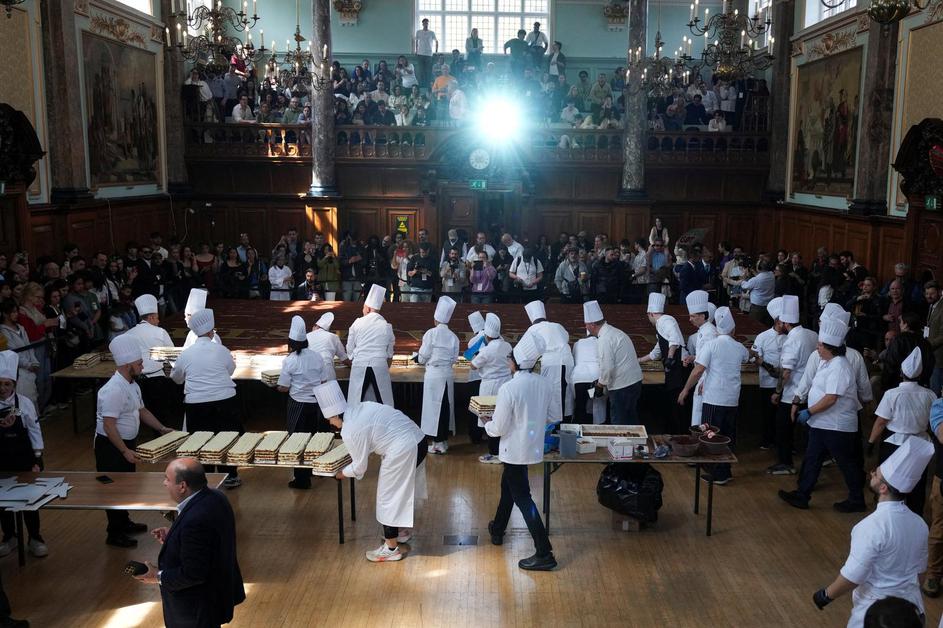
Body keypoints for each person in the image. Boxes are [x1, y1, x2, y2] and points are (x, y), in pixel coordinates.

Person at [811, 438, 932, 627]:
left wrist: (826, 595)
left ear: (883, 488)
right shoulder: (920, 524)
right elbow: (920, 573)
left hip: (877, 614)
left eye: (876, 474)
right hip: (911, 612)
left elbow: (854, 575)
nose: (872, 473)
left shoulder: (870, 526)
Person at [314, 380, 427, 563]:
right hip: (418, 439)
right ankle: (399, 533)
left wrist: (340, 474)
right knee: (397, 492)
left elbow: (360, 467)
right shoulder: (359, 408)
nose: (330, 423)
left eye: (330, 419)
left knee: (387, 496)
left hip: (403, 449)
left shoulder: (350, 430)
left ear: (335, 415)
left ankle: (391, 549)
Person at [134, 458, 246, 627]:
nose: (164, 483)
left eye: (167, 479)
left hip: (195, 611)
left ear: (182, 486)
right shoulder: (217, 497)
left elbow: (193, 573)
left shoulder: (194, 521)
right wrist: (174, 537)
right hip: (215, 597)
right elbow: (210, 542)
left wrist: (156, 576)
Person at [484, 332, 559, 571]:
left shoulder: (509, 388)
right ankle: (498, 529)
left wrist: (487, 422)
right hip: (532, 447)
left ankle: (544, 551)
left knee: (523, 498)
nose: (508, 363)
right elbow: (554, 416)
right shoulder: (544, 384)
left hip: (513, 450)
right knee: (509, 488)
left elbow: (498, 428)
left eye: (509, 359)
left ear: (515, 362)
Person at [95, 334, 174, 547]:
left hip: (126, 443)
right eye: (139, 363)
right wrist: (124, 451)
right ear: (127, 365)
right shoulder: (113, 390)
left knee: (126, 485)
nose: (142, 366)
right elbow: (108, 426)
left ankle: (124, 522)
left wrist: (161, 428)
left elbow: (142, 410)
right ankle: (114, 532)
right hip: (111, 447)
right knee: (113, 488)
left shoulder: (133, 385)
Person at [779, 319, 866, 512]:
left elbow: (831, 398)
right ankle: (802, 494)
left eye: (820, 345)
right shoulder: (827, 363)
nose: (817, 348)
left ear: (830, 348)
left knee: (846, 463)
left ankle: (857, 499)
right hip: (822, 423)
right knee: (812, 459)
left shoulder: (839, 366)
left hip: (836, 425)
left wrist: (809, 411)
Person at [169, 309, 241, 489]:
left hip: (197, 403)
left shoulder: (186, 354)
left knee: (201, 441)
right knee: (226, 438)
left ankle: (205, 478)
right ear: (211, 332)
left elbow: (177, 378)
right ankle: (230, 475)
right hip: (224, 399)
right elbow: (230, 370)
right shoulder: (221, 350)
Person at [679, 307, 748, 484]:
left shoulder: (712, 345)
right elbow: (748, 357)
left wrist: (686, 389)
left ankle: (716, 473)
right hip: (732, 398)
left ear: (717, 329)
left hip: (714, 398)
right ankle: (725, 470)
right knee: (727, 435)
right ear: (733, 329)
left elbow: (698, 370)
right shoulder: (739, 347)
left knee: (710, 435)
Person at [867, 347, 934, 515]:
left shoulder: (892, 394)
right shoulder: (930, 395)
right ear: (920, 375)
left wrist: (870, 442)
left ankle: (888, 514)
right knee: (917, 483)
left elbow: (881, 422)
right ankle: (915, 516)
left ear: (901, 373)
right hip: (920, 444)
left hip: (894, 444)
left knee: (890, 483)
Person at [0, 351, 47, 559]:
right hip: (1, 461)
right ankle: (9, 537)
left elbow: (35, 432)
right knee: (3, 503)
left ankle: (35, 538)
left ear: (14, 384)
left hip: (24, 459)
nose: (2, 389)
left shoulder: (25, 403)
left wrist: (37, 459)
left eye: (7, 384)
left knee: (30, 501)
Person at [273, 317, 327, 490]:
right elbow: (323, 380)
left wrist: (275, 386)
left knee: (297, 441)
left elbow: (283, 387)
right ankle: (313, 469)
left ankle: (302, 479)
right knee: (313, 438)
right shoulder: (317, 357)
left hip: (298, 404)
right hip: (315, 403)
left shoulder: (290, 360)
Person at [768, 295, 818, 475]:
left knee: (783, 428)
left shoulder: (792, 340)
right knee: (809, 430)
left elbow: (786, 372)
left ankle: (785, 462)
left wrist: (777, 392)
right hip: (812, 392)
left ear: (785, 322)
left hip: (792, 393)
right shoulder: (812, 334)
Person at [583, 300, 643, 426]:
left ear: (592, 325)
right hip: (634, 382)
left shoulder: (604, 339)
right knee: (631, 419)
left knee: (619, 423)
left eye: (586, 324)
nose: (586, 327)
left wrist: (600, 385)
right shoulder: (614, 332)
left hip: (622, 386)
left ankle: (622, 440)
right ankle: (635, 439)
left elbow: (608, 367)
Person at [122, 294, 177, 428]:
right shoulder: (160, 332)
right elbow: (173, 356)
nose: (158, 321)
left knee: (141, 411)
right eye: (157, 318)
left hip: (135, 381)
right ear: (151, 317)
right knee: (161, 414)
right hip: (156, 380)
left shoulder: (128, 334)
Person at [638, 293, 686, 434]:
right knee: (672, 402)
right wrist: (639, 360)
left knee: (677, 403)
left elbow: (674, 339)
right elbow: (657, 352)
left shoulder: (666, 320)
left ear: (651, 314)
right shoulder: (660, 326)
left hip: (679, 368)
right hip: (672, 370)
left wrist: (670, 357)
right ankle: (674, 432)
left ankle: (680, 434)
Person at [417, 297, 459, 454]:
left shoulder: (431, 333)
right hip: (447, 374)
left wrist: (420, 359)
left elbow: (423, 356)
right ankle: (443, 441)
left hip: (433, 375)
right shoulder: (453, 336)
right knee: (445, 408)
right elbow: (454, 359)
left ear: (435, 319)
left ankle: (437, 444)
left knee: (434, 410)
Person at [520, 300, 574, 419]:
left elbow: (526, 351)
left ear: (532, 319)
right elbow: (566, 338)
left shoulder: (532, 329)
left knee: (548, 394)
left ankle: (552, 423)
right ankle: (564, 422)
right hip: (566, 361)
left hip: (547, 363)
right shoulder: (558, 326)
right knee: (564, 393)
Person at [471, 313, 513, 465]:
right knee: (504, 417)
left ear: (487, 336)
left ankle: (494, 453)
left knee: (489, 419)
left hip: (489, 387)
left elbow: (473, 365)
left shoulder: (487, 350)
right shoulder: (507, 345)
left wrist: (475, 354)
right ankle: (504, 450)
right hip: (506, 384)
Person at [346, 284, 395, 406]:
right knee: (384, 402)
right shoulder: (386, 326)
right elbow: (390, 353)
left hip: (360, 364)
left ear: (367, 308)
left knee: (355, 402)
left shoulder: (357, 323)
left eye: (363, 308)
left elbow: (349, 348)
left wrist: (352, 356)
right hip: (379, 364)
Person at [751, 297, 785, 451]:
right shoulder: (763, 337)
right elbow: (754, 356)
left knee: (783, 415)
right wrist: (769, 368)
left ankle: (783, 442)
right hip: (768, 381)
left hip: (786, 382)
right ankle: (767, 439)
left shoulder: (791, 337)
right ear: (777, 322)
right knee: (768, 413)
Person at [682, 291, 718, 428]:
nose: (690, 319)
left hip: (705, 379)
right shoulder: (703, 331)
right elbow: (704, 356)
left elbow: (712, 360)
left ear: (702, 316)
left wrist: (688, 388)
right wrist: (693, 358)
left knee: (702, 419)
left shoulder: (709, 332)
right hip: (702, 377)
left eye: (693, 316)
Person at [306, 312, 348, 382]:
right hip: (328, 372)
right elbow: (344, 358)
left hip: (309, 374)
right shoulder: (333, 337)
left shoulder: (306, 336)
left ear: (315, 326)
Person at [414, 18, 438, 89]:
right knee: (421, 71)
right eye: (424, 23)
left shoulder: (431, 32)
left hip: (429, 54)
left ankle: (428, 86)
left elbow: (436, 41)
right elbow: (416, 42)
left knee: (428, 71)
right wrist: (416, 50)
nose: (425, 24)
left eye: (427, 23)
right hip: (420, 53)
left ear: (428, 23)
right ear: (422, 24)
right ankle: (421, 85)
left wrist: (436, 51)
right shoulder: (418, 32)